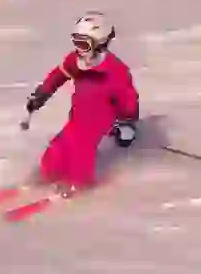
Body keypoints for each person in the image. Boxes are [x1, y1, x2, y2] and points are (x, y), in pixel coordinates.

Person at [25, 11, 140, 195]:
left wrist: (127, 123)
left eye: (83, 44)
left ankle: (80, 187)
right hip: (76, 120)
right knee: (56, 151)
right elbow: (58, 75)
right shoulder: (75, 61)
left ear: (100, 43)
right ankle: (46, 177)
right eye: (76, 42)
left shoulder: (115, 70)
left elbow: (129, 98)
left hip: (97, 125)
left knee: (80, 154)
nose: (79, 49)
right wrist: (42, 94)